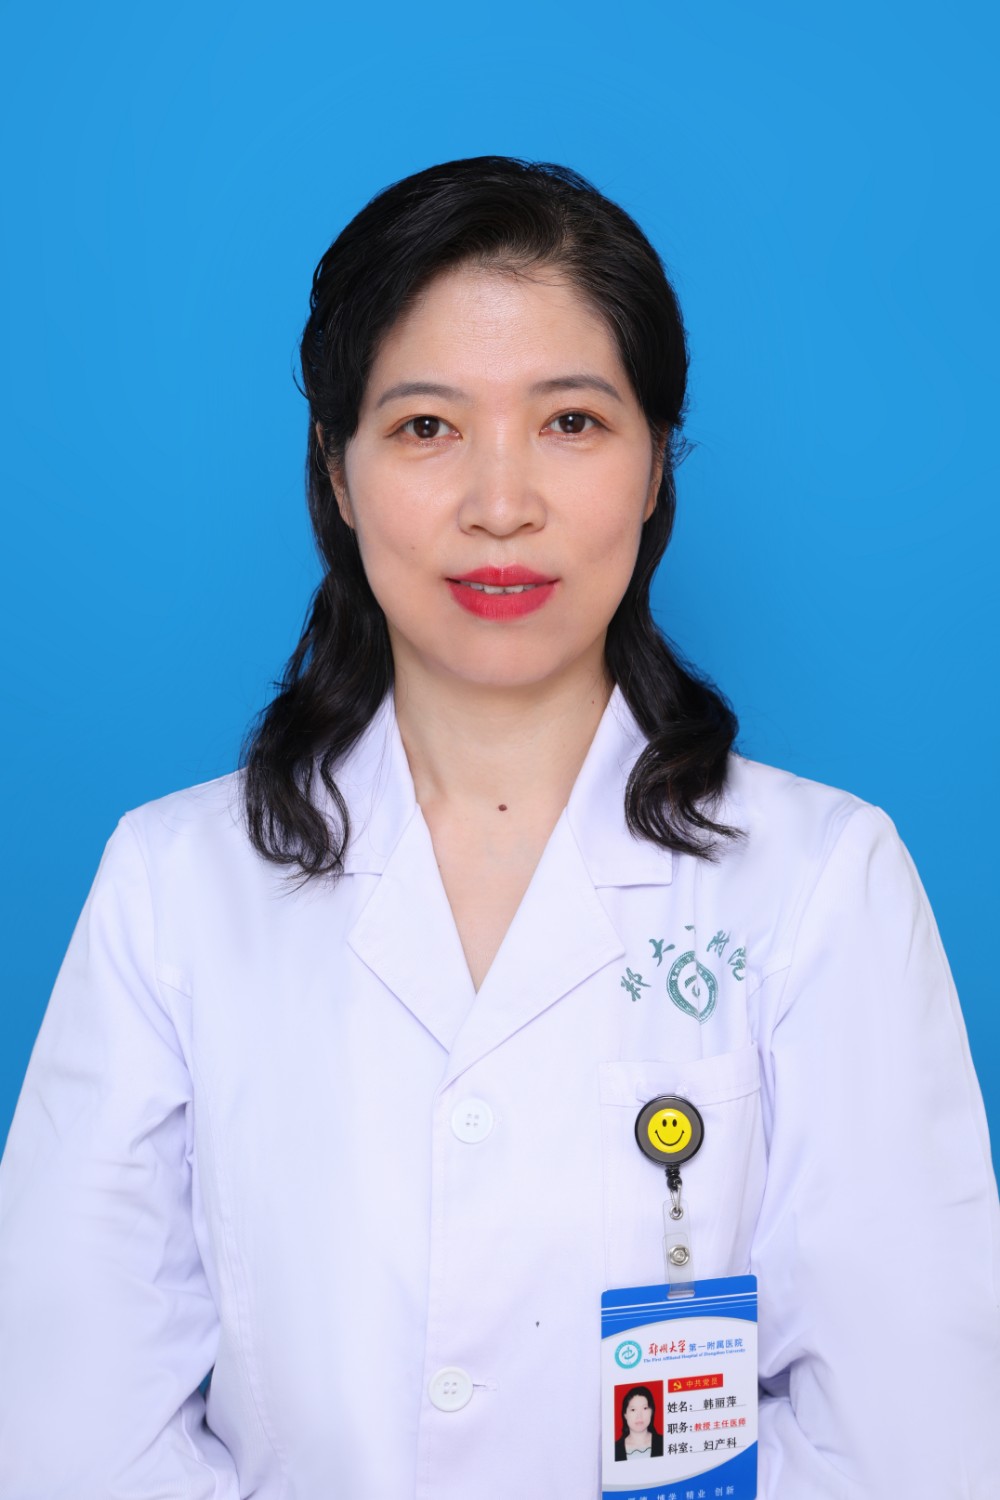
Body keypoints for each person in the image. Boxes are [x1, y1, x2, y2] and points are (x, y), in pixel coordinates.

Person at [0, 155, 997, 1500]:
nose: (501, 503)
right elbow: (71, 1429)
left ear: (656, 463)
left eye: (572, 421)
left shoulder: (821, 881)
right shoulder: (173, 886)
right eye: (426, 427)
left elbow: (912, 1438)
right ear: (336, 471)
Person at [614, 1385, 664, 1461]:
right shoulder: (614, 1449)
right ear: (625, 1414)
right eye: (633, 1410)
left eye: (645, 1408)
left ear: (651, 1411)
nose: (639, 1416)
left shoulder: (664, 1442)